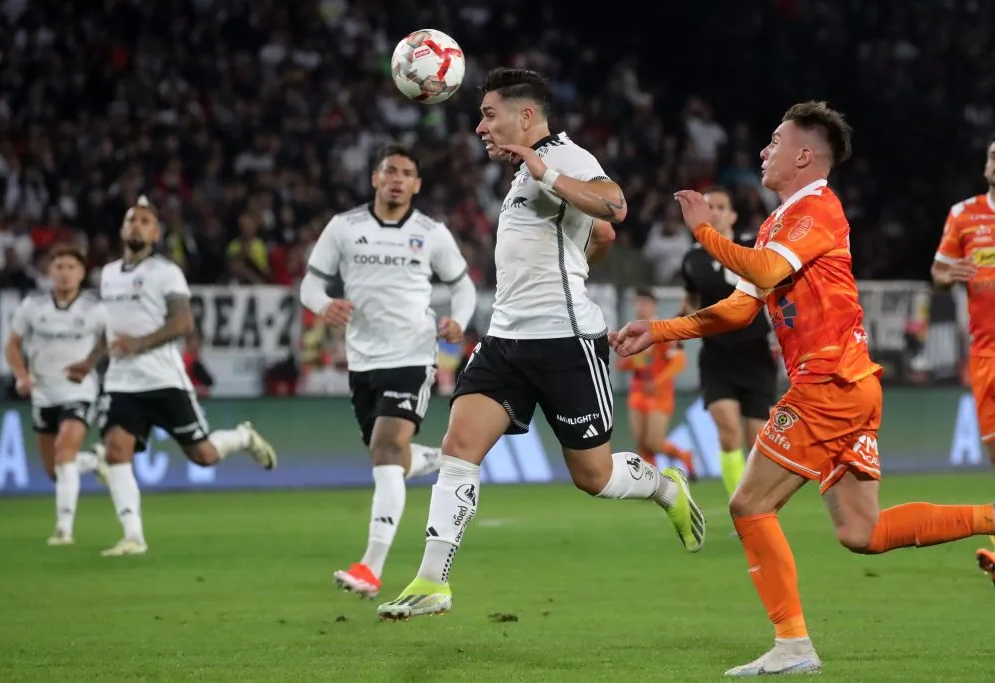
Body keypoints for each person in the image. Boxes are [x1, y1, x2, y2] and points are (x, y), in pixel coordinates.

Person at [612, 101, 995, 676]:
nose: (764, 151)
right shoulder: (774, 224)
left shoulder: (818, 207)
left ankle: (793, 644)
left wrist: (704, 231)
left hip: (828, 383)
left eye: (774, 140)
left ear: (804, 155)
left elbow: (764, 274)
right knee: (861, 532)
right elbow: (741, 308)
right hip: (849, 385)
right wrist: (662, 331)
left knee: (748, 504)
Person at [377, 68, 705, 620]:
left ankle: (664, 487)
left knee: (593, 478)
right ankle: (432, 583)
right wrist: (575, 248)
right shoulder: (523, 171)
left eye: (488, 113)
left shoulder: (566, 157)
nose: (480, 125)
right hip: (505, 339)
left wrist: (545, 171)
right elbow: (599, 236)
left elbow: (614, 208)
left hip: (565, 342)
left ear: (525, 117)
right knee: (458, 450)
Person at [300, 144, 477, 598]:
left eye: (407, 173)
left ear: (417, 185)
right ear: (375, 178)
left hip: (413, 355)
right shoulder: (344, 227)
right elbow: (310, 284)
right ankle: (442, 461)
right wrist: (325, 304)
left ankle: (370, 568)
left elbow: (463, 286)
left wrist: (458, 320)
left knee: (384, 449)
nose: (398, 179)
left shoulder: (431, 233)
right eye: (390, 171)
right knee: (390, 459)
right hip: (362, 361)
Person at [66, 196, 278, 557]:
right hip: (121, 381)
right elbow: (108, 329)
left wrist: (140, 343)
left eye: (145, 221)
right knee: (118, 451)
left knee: (204, 455)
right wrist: (90, 361)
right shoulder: (108, 274)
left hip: (164, 379)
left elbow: (183, 322)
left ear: (156, 233)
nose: (137, 225)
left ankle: (242, 437)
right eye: (131, 220)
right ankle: (133, 536)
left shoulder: (166, 272)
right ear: (122, 229)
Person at [4, 243, 109, 545]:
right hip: (43, 393)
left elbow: (108, 341)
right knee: (54, 471)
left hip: (78, 391)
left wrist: (88, 363)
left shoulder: (94, 309)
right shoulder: (33, 306)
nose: (64, 274)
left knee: (65, 451)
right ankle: (93, 461)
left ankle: (64, 529)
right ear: (49, 271)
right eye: (59, 267)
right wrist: (22, 376)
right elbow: (12, 344)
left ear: (82, 273)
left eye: (71, 268)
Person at [680, 187, 778, 497]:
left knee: (757, 437)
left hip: (754, 354)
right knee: (728, 431)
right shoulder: (692, 259)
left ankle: (760, 501)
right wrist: (675, 329)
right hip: (717, 355)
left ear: (733, 215)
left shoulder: (752, 247)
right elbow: (692, 300)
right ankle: (741, 508)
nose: (716, 212)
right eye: (709, 207)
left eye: (722, 206)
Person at [931, 133, 995, 580]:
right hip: (986, 350)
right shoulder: (963, 214)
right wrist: (947, 273)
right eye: (993, 155)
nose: (994, 161)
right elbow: (937, 272)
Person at [616, 289, 695, 475]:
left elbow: (679, 362)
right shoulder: (631, 332)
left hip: (659, 393)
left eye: (644, 303)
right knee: (642, 442)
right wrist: (628, 360)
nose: (640, 307)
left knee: (654, 442)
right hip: (637, 390)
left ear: (653, 306)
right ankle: (651, 483)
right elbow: (629, 363)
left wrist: (658, 382)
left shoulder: (663, 330)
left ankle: (684, 456)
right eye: (638, 303)